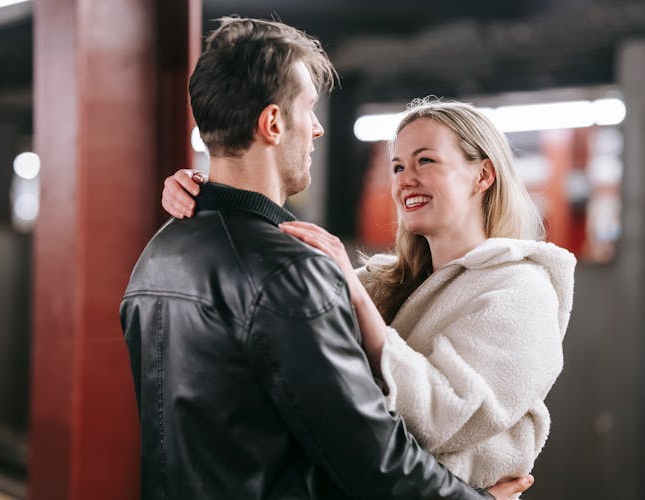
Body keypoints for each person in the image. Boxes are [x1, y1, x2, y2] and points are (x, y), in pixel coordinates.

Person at [123, 16, 531, 500]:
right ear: (274, 123)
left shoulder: (157, 254)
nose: (317, 129)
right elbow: (373, 459)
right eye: (308, 109)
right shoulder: (291, 273)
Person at [161, 99, 575, 491]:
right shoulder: (382, 282)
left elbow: (444, 413)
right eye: (397, 166)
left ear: (483, 175)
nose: (404, 179)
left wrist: (355, 297)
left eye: (425, 161)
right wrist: (208, 197)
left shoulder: (523, 292)